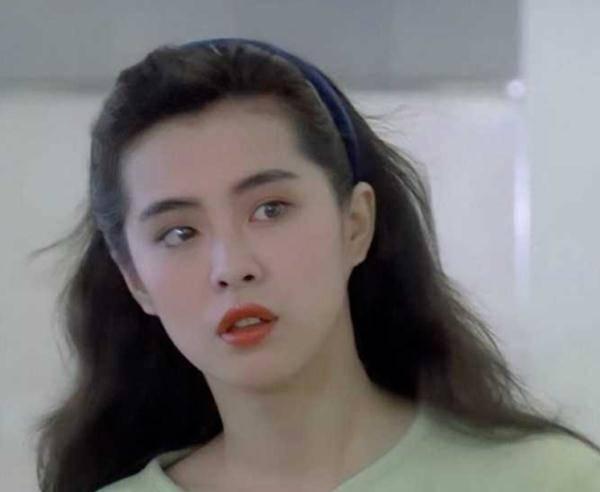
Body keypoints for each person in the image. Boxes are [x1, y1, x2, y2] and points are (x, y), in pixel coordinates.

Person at [31, 38, 600, 492]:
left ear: (355, 224)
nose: (232, 266)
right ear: (135, 280)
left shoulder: (551, 481)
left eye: (270, 209)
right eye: (179, 233)